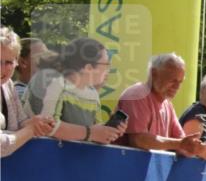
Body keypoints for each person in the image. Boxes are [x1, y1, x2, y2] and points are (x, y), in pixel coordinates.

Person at [32, 38, 126, 145]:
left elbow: (93, 132)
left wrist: (108, 131)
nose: (109, 69)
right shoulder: (53, 82)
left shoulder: (93, 94)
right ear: (89, 68)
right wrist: (92, 133)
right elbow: (47, 127)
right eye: (106, 64)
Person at [116, 53, 206, 157]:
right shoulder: (138, 94)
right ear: (154, 74)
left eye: (180, 82)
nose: (177, 86)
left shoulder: (167, 104)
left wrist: (195, 148)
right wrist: (180, 144)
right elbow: (138, 140)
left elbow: (181, 142)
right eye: (173, 80)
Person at [1, 27, 54, 157]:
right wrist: (31, 129)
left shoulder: (8, 85)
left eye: (8, 62)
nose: (2, 68)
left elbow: (20, 122)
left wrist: (37, 122)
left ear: (16, 62)